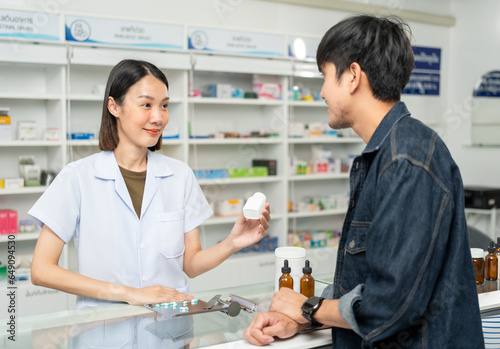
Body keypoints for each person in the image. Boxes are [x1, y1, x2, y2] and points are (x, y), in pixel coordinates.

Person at [244, 15, 484, 348]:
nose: (323, 92)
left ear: (353, 75)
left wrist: (308, 307)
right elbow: (367, 280)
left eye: (325, 76)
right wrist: (303, 320)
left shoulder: (406, 160)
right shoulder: (385, 154)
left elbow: (389, 305)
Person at [29, 59, 271, 308]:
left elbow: (191, 264)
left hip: (170, 328)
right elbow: (41, 270)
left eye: (164, 106)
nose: (158, 117)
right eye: (146, 104)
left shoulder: (180, 176)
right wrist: (127, 293)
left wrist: (233, 242)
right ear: (114, 106)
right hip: (103, 330)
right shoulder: (78, 177)